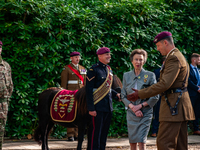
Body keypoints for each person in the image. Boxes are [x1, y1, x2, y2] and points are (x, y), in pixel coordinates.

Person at [126, 31, 195, 150]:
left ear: (165, 42)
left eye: (158, 46)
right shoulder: (178, 55)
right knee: (180, 145)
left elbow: (164, 84)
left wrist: (140, 94)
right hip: (179, 105)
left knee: (164, 143)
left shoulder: (173, 57)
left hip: (173, 106)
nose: (158, 49)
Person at [121, 49, 159, 150]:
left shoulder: (150, 75)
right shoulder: (126, 75)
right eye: (136, 59)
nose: (138, 62)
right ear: (132, 61)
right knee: (132, 142)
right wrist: (133, 107)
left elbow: (155, 96)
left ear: (144, 61)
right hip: (131, 112)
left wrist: (140, 106)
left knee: (142, 141)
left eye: (141, 59)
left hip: (145, 112)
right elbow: (123, 95)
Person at [86, 47, 120, 150]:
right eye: (107, 54)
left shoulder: (109, 69)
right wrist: (91, 108)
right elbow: (88, 90)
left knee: (104, 133)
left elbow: (107, 88)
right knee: (95, 134)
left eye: (109, 54)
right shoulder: (93, 70)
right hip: (97, 107)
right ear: (99, 56)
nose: (109, 56)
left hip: (108, 107)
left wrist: (116, 95)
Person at [61, 51, 86, 141]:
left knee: (80, 113)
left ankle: (77, 134)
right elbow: (64, 84)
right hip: (70, 94)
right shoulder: (66, 69)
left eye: (78, 57)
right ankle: (70, 134)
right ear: (71, 58)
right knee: (70, 112)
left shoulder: (82, 68)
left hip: (81, 94)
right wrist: (64, 93)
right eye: (75, 57)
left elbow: (85, 82)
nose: (77, 59)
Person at [0, 41, 13, 150]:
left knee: (1, 129)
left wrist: (7, 99)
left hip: (3, 103)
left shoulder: (6, 66)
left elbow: (10, 84)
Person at [150, 57, 165, 137]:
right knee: (157, 113)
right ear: (163, 62)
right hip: (159, 95)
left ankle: (163, 132)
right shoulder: (156, 71)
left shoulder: (170, 72)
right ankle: (154, 131)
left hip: (168, 96)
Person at [188, 53, 200, 135]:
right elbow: (188, 81)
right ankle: (185, 128)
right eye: (199, 60)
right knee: (188, 111)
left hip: (198, 95)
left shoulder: (198, 70)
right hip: (191, 94)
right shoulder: (187, 69)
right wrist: (197, 88)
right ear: (194, 60)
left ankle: (196, 129)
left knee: (197, 112)